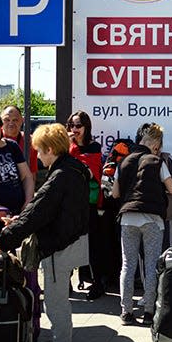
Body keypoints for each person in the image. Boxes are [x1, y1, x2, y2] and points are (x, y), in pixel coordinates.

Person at [0, 124, 90, 342]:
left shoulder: (59, 176)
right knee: (59, 303)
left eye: (39, 150)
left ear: (50, 149)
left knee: (56, 305)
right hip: (74, 242)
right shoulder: (76, 169)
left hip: (59, 246)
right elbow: (42, 208)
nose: (37, 156)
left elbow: (38, 211)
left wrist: (6, 238)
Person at [113, 123, 172, 325]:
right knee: (151, 265)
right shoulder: (156, 161)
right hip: (152, 219)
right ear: (155, 142)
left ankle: (126, 312)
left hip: (128, 218)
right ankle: (149, 312)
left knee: (127, 265)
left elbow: (115, 193)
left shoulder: (123, 162)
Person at [67, 110, 106, 300]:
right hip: (69, 204)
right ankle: (66, 282)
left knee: (93, 245)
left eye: (78, 126)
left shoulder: (94, 147)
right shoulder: (67, 146)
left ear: (86, 127)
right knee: (66, 244)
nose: (74, 129)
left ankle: (98, 282)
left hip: (88, 203)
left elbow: (91, 172)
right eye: (72, 126)